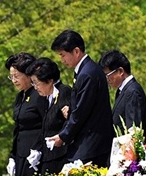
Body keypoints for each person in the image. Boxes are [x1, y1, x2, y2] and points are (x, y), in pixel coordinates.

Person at [47, 30, 114, 167]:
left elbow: (81, 111)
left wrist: (63, 136)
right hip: (90, 142)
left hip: (92, 143)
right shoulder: (86, 70)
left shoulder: (87, 73)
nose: (62, 60)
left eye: (63, 55)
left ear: (76, 51)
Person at [5, 52, 48, 176]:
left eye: (17, 76)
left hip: (35, 154)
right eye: (11, 77)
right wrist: (12, 156)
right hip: (21, 153)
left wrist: (39, 148)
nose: (14, 80)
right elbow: (17, 128)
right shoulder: (20, 96)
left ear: (28, 75)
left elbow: (47, 124)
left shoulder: (39, 94)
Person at [25, 57, 72, 175]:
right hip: (48, 157)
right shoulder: (46, 98)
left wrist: (61, 136)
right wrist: (36, 149)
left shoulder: (64, 92)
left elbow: (70, 121)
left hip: (61, 157)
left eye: (36, 83)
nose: (35, 88)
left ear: (49, 80)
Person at [98, 50, 146, 139]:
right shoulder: (122, 91)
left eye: (107, 75)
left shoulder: (132, 92)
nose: (107, 80)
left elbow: (134, 131)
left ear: (120, 71)